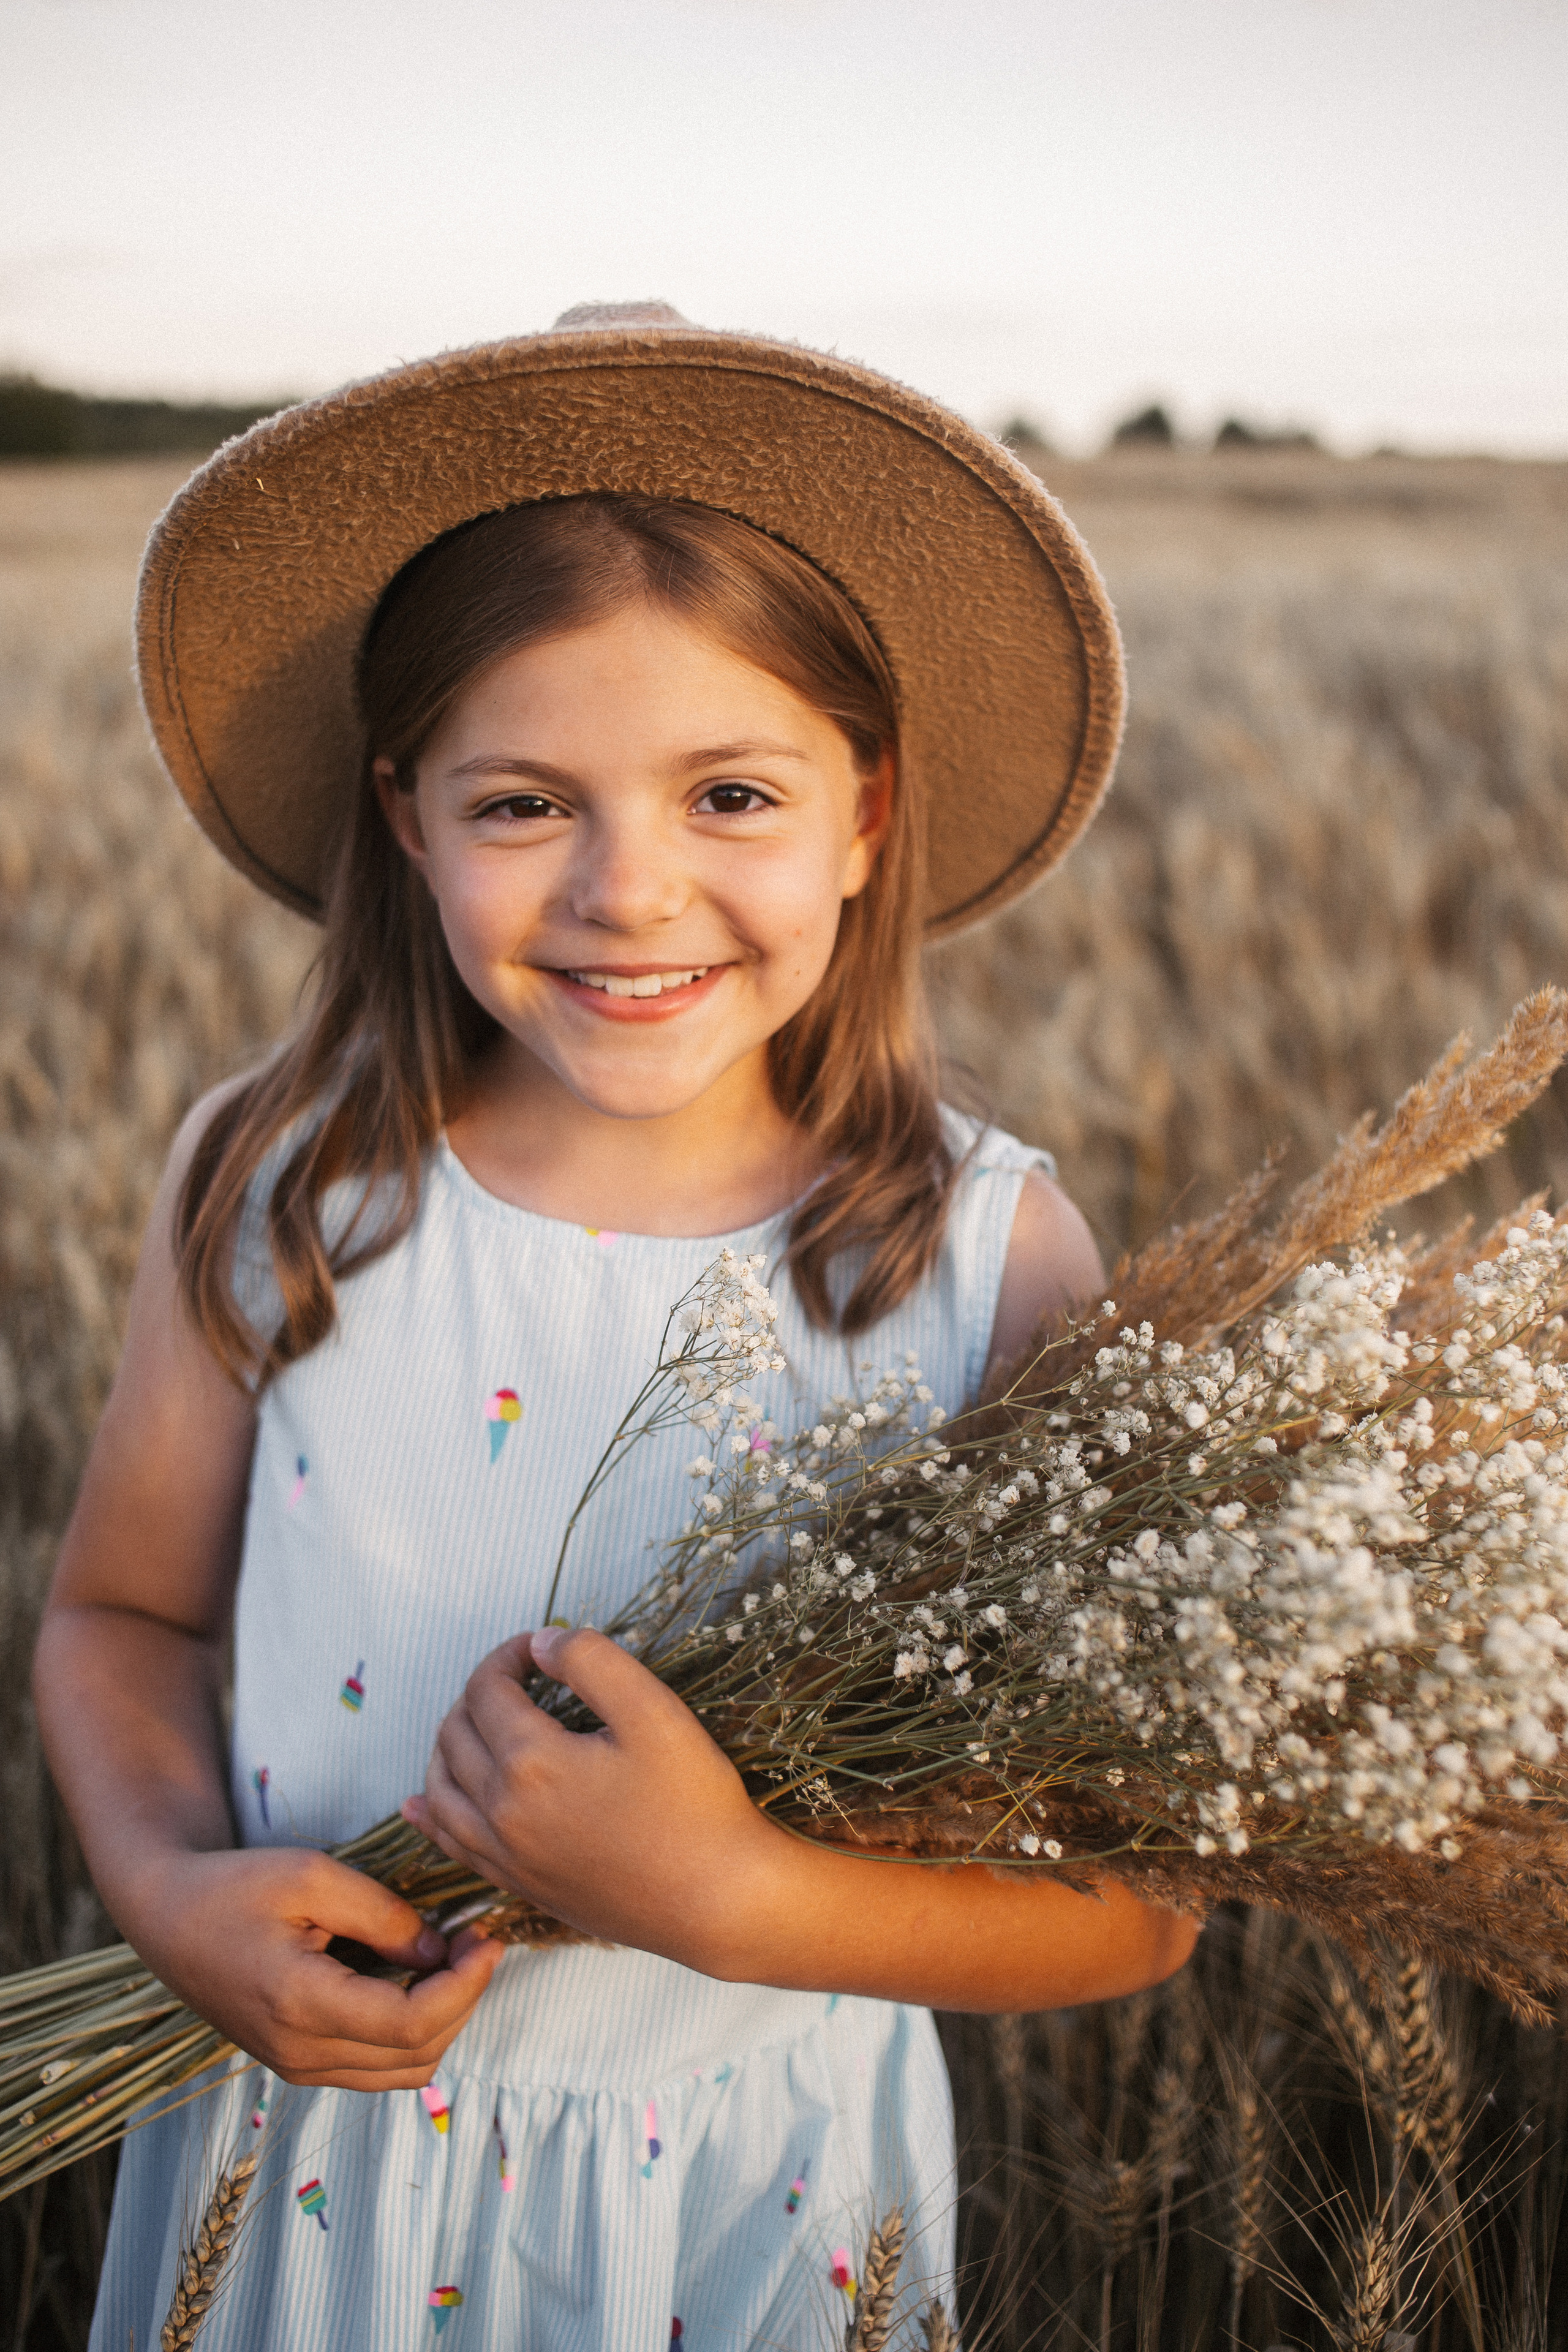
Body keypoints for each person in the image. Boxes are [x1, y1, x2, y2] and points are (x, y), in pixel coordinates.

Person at [36, 303, 1198, 2351]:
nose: (627, 892)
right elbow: (122, 1615)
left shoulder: (982, 1260)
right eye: (523, 806)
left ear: (864, 812)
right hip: (306, 2163)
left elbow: (1134, 1908)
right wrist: (167, 1897)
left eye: (730, 796)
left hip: (749, 2209)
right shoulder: (289, 1176)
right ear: (407, 818)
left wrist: (733, 1898)